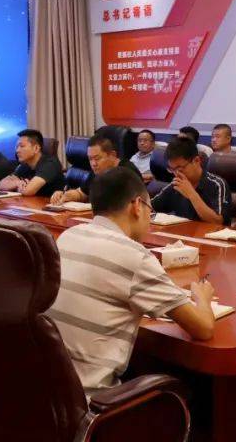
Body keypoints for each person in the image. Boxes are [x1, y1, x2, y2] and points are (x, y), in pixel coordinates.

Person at [47, 166, 216, 391]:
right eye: (149, 209)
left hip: (47, 393)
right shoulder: (135, 256)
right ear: (137, 205)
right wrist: (202, 298)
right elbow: (203, 328)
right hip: (90, 400)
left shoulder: (68, 237)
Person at [152, 136, 231, 224]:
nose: (176, 174)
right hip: (182, 231)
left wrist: (191, 194)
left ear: (197, 160)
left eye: (180, 168)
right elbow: (150, 207)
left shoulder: (217, 184)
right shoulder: (176, 184)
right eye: (172, 169)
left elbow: (218, 222)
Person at [51, 133, 141, 205]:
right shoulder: (98, 171)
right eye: (90, 159)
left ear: (112, 155)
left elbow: (133, 204)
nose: (93, 164)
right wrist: (65, 195)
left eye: (97, 158)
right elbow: (81, 193)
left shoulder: (127, 173)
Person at [0, 128, 64, 197]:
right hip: (33, 201)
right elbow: (1, 185)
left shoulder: (50, 163)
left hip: (52, 202)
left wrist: (15, 187)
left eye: (22, 146)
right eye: (17, 147)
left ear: (36, 148)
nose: (17, 150)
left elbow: (28, 191)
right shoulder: (25, 164)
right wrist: (17, 183)